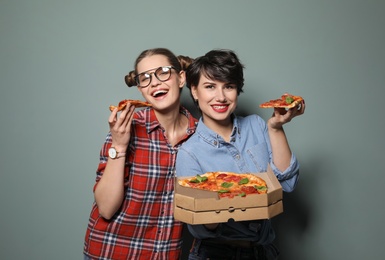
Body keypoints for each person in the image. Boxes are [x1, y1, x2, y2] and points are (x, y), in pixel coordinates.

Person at [175, 49, 305, 260]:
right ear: (195, 91)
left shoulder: (256, 125)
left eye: (229, 86)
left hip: (264, 251)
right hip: (216, 254)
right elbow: (200, 228)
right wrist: (213, 201)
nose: (221, 97)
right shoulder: (189, 153)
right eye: (210, 87)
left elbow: (288, 184)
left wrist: (275, 128)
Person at [83, 48, 198, 260]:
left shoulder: (201, 137)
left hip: (164, 254)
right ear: (140, 90)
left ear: (181, 78)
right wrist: (119, 145)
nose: (154, 82)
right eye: (144, 78)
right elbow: (106, 209)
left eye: (163, 72)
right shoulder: (124, 129)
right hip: (111, 252)